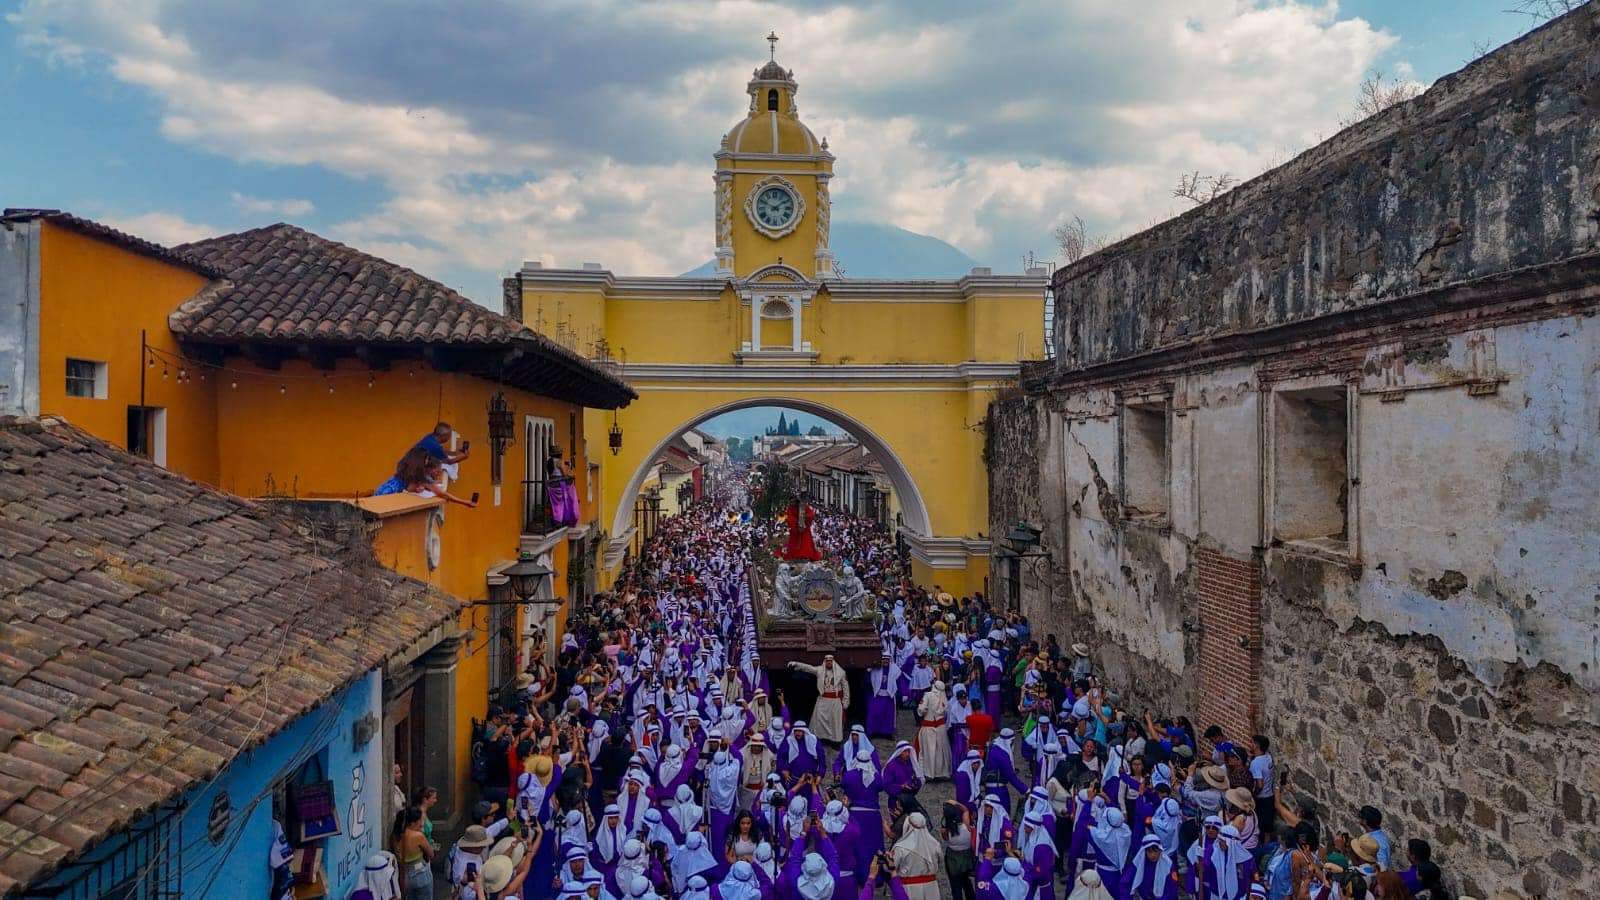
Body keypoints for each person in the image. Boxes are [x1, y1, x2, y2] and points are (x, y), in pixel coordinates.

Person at [786, 655, 849, 742]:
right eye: (827, 661)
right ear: (825, 662)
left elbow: (846, 688)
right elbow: (808, 668)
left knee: (834, 723)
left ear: (833, 662)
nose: (829, 663)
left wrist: (845, 701)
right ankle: (819, 740)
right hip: (823, 700)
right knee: (819, 721)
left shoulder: (841, 673)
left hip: (835, 701)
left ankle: (835, 742)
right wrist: (796, 664)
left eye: (830, 661)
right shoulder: (820, 670)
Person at [892, 811, 943, 900]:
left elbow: (892, 867)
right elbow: (940, 860)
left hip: (909, 889)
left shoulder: (901, 847)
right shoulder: (935, 844)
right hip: (931, 889)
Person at [392, 807, 432, 900]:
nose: (421, 823)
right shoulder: (417, 836)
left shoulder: (394, 836)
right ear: (412, 823)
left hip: (403, 875)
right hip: (420, 873)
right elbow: (431, 854)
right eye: (419, 821)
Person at [916, 680, 953, 780]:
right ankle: (942, 773)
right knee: (941, 750)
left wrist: (923, 712)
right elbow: (945, 712)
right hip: (941, 728)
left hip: (928, 727)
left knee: (929, 750)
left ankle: (929, 773)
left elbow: (921, 710)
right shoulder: (945, 698)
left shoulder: (927, 695)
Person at [1249, 735, 1276, 832]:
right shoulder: (1268, 756)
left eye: (1251, 742)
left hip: (1261, 798)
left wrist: (1253, 795)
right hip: (1270, 796)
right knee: (1268, 827)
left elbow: (1260, 784)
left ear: (1256, 745)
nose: (1250, 744)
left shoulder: (1255, 763)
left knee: (1260, 826)